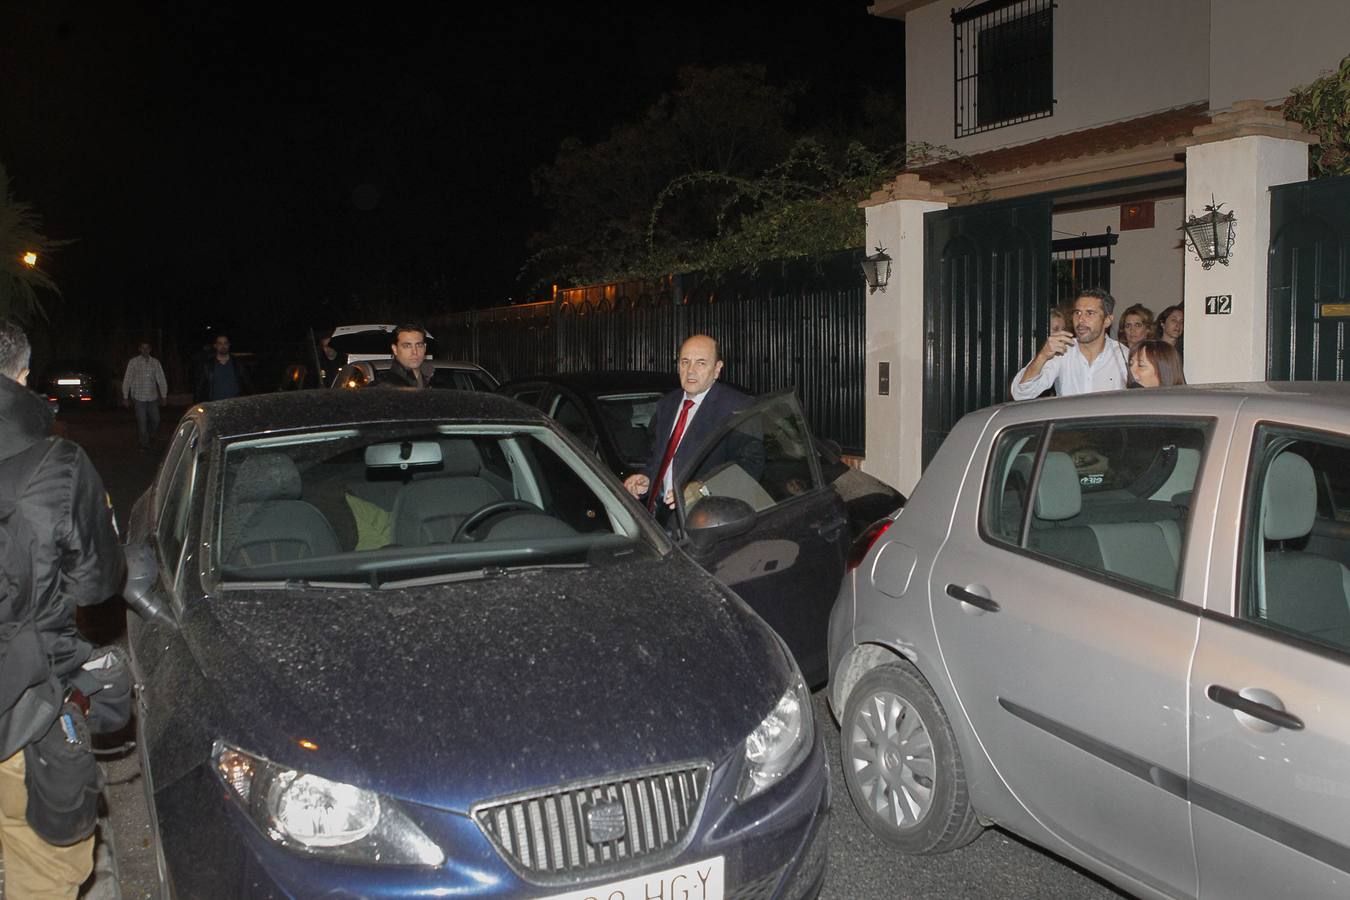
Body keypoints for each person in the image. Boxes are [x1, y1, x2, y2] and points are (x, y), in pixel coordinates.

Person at [0, 320, 123, 899]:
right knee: (46, 871)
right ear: (23, 375)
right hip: (22, 709)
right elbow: (98, 583)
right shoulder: (59, 464)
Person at [623, 334, 755, 514]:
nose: (690, 370)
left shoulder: (737, 408)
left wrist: (703, 490)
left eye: (701, 363)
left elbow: (750, 467)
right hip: (658, 518)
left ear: (717, 369)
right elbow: (658, 458)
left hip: (705, 521)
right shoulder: (667, 404)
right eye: (685, 362)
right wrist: (646, 478)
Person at [1010, 288, 1129, 400]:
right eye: (1077, 313)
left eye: (1089, 313)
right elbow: (1021, 394)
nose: (1081, 320)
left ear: (1107, 320)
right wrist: (1042, 356)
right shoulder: (1062, 351)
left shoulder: (1123, 356)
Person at [121, 340, 168, 450]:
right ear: (139, 349)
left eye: (147, 348)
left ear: (150, 349)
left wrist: (164, 395)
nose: (145, 350)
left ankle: (150, 434)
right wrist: (125, 396)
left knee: (156, 419)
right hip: (139, 397)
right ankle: (144, 443)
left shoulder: (155, 362)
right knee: (142, 422)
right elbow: (127, 379)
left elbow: (161, 379)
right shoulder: (133, 362)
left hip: (152, 397)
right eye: (143, 348)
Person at [194, 334, 254, 401]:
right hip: (215, 403)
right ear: (215, 346)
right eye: (220, 343)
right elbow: (200, 386)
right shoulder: (207, 365)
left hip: (237, 402)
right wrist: (197, 403)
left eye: (225, 343)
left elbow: (248, 383)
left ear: (229, 345)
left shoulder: (238, 363)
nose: (223, 346)